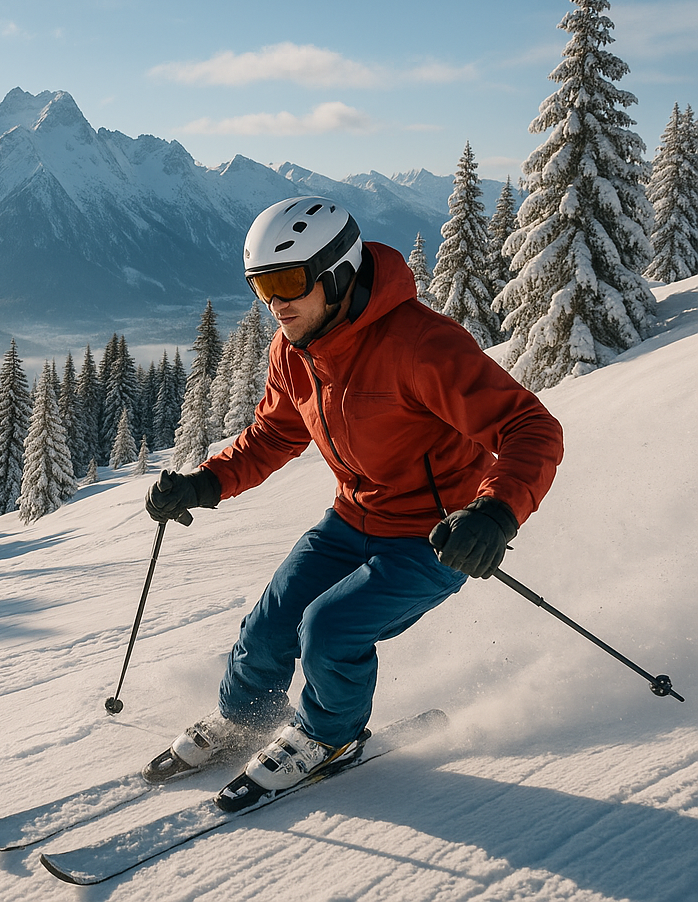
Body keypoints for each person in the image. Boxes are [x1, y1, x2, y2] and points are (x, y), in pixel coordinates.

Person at [143, 195, 564, 812]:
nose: (276, 302)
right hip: (352, 517)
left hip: (435, 536)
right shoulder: (294, 349)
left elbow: (532, 428)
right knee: (269, 624)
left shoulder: (420, 345)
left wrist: (495, 514)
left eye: (289, 282)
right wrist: (206, 483)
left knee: (329, 629)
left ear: (338, 274)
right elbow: (275, 433)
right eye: (262, 286)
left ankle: (330, 736)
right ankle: (244, 717)